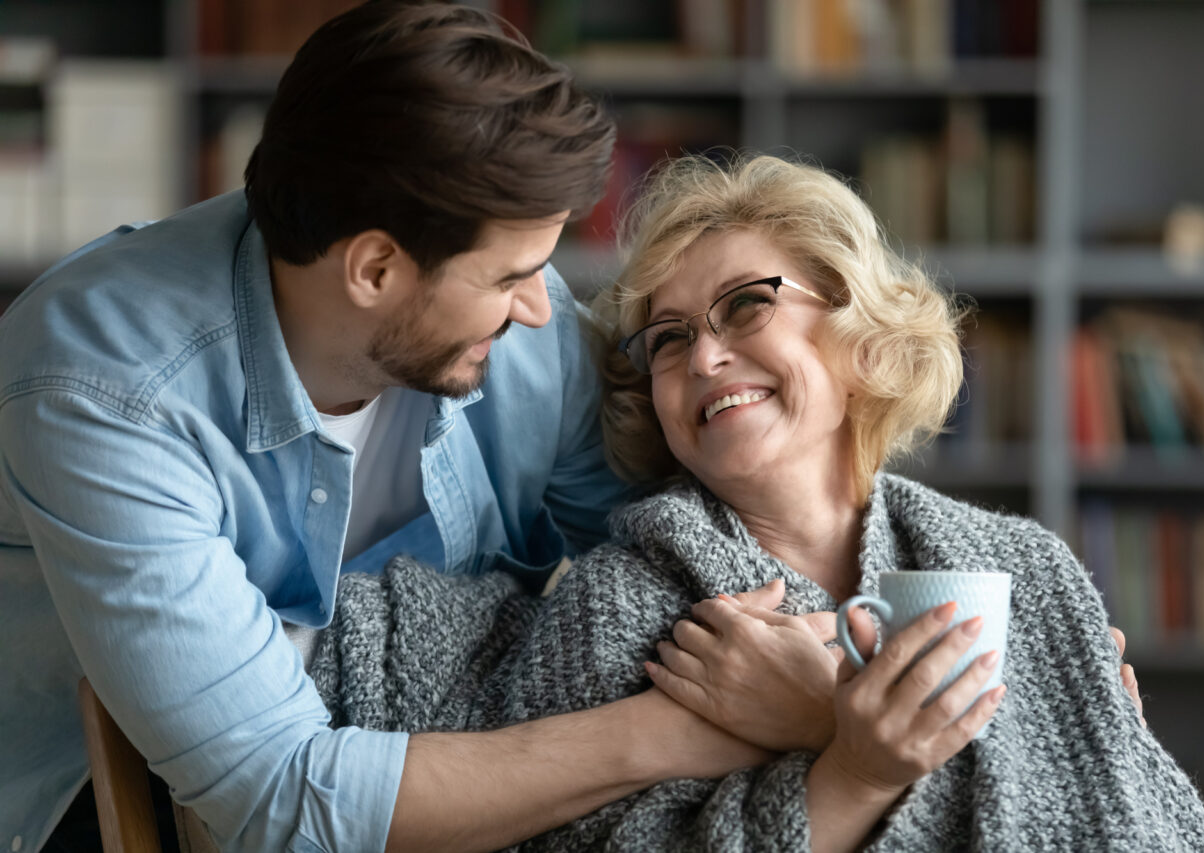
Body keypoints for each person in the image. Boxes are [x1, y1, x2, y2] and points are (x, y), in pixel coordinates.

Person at [0, 5, 782, 851]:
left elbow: (683, 550)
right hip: (118, 806)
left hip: (450, 766)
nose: (539, 305)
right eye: (510, 276)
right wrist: (673, 735)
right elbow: (281, 801)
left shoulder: (525, 324)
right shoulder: (102, 391)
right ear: (374, 268)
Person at [314, 153, 1204, 851]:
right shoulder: (627, 609)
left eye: (746, 305)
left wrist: (828, 722)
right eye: (667, 339)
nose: (703, 357)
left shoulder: (1026, 569)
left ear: (861, 326)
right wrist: (852, 775)